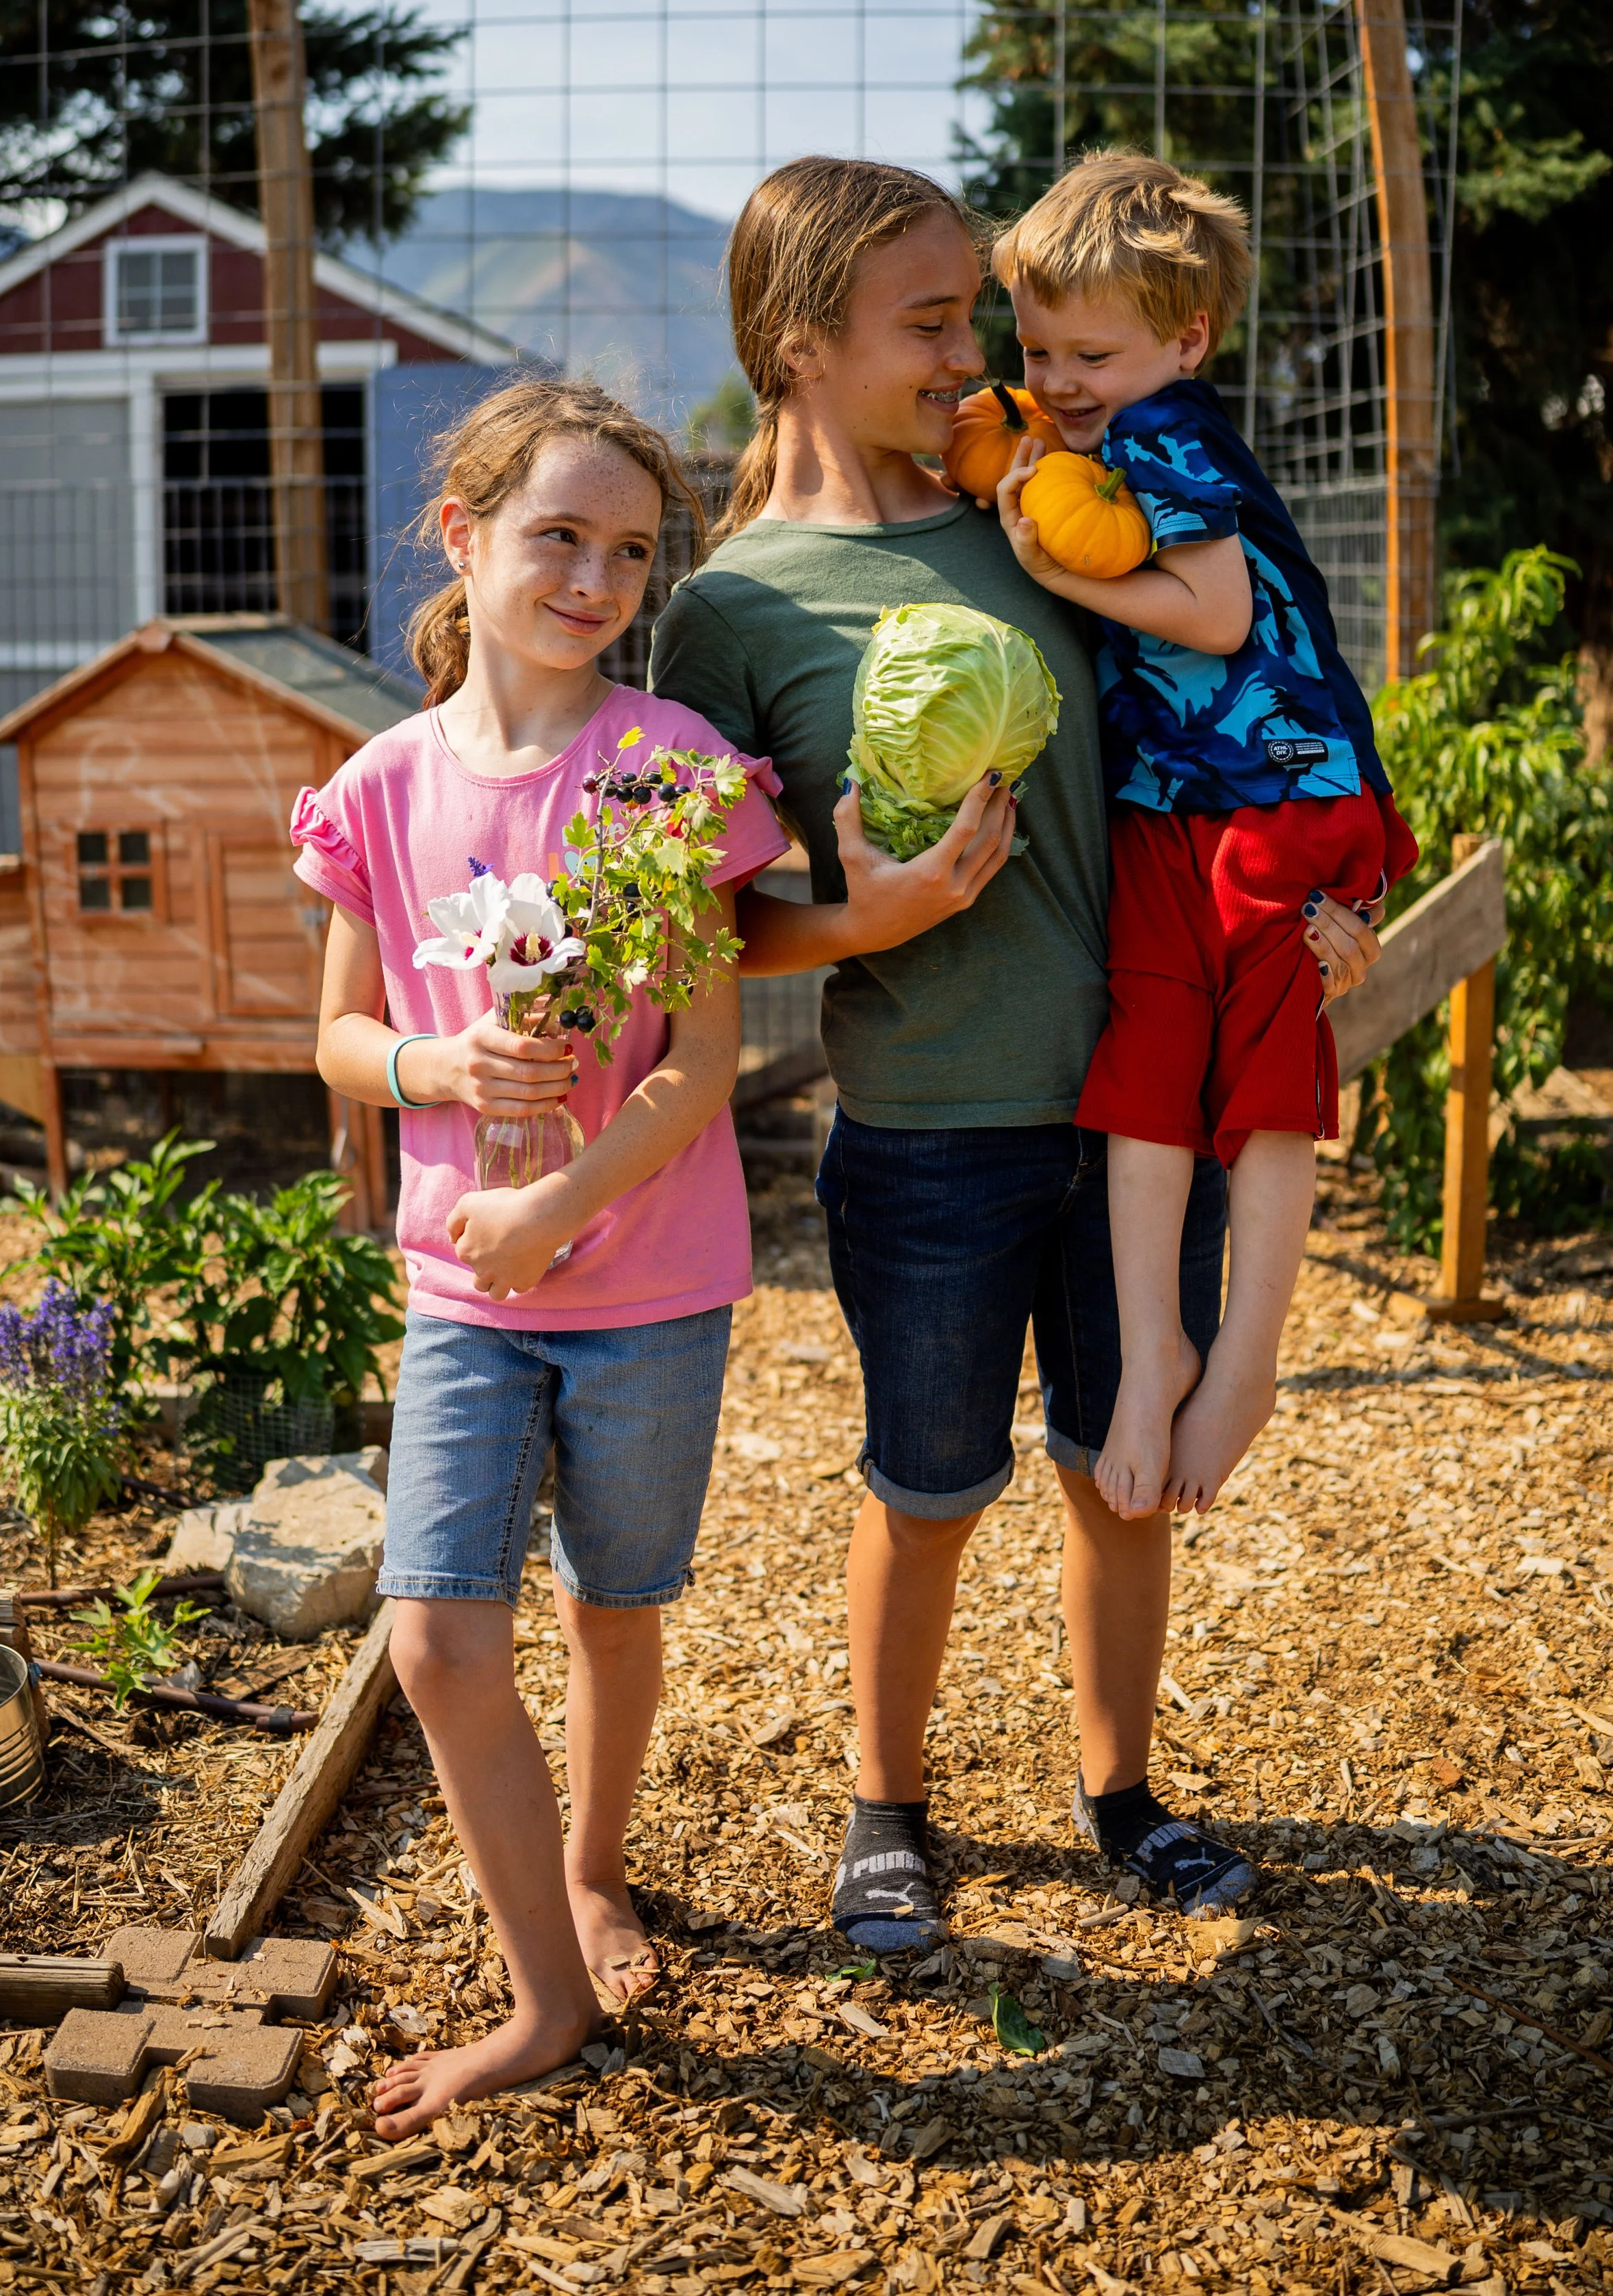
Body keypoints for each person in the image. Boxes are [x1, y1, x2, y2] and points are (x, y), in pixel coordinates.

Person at [650, 155, 1384, 1936]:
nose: (976, 355)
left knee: (1113, 1474)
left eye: (976, 312)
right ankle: (884, 1805)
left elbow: (1212, 713)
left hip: (1139, 1095)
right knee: (924, 1485)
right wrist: (866, 922)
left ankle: (1118, 1788)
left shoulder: (1040, 513)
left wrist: (1309, 889)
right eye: (931, 320)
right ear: (798, 344)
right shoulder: (729, 609)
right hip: (928, 1114)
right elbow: (701, 933)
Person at [294, 377, 787, 2128]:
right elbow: (343, 1040)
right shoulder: (378, 784)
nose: (593, 576)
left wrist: (555, 1203)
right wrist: (436, 1068)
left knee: (614, 1606)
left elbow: (709, 1064)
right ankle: (547, 1998)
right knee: (435, 1641)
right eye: (556, 536)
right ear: (464, 538)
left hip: (648, 1289)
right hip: (460, 1295)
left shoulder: (664, 771)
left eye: (629, 550)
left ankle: (591, 1869)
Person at [972, 151, 1417, 1527]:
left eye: (1090, 350)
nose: (1056, 378)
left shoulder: (1171, 432)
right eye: (1037, 347)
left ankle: (1243, 1355)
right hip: (1173, 804)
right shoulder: (1098, 434)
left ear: (1184, 339)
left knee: (1260, 1074)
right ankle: (1153, 1335)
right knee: (1148, 1059)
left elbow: (1216, 613)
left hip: (1278, 790)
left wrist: (1046, 565)